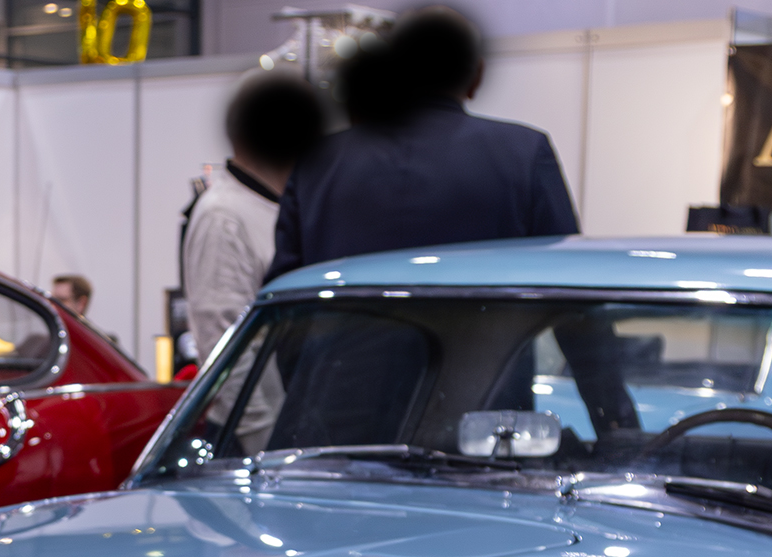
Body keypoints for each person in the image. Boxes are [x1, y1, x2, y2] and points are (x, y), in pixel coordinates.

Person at [267, 8, 577, 280]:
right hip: (485, 348)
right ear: (476, 76)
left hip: (338, 348)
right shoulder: (526, 153)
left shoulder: (317, 162)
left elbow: (281, 294)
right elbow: (569, 283)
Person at [181, 74, 330, 364]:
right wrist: (261, 412)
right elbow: (223, 342)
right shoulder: (223, 217)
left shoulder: (285, 206)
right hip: (267, 407)